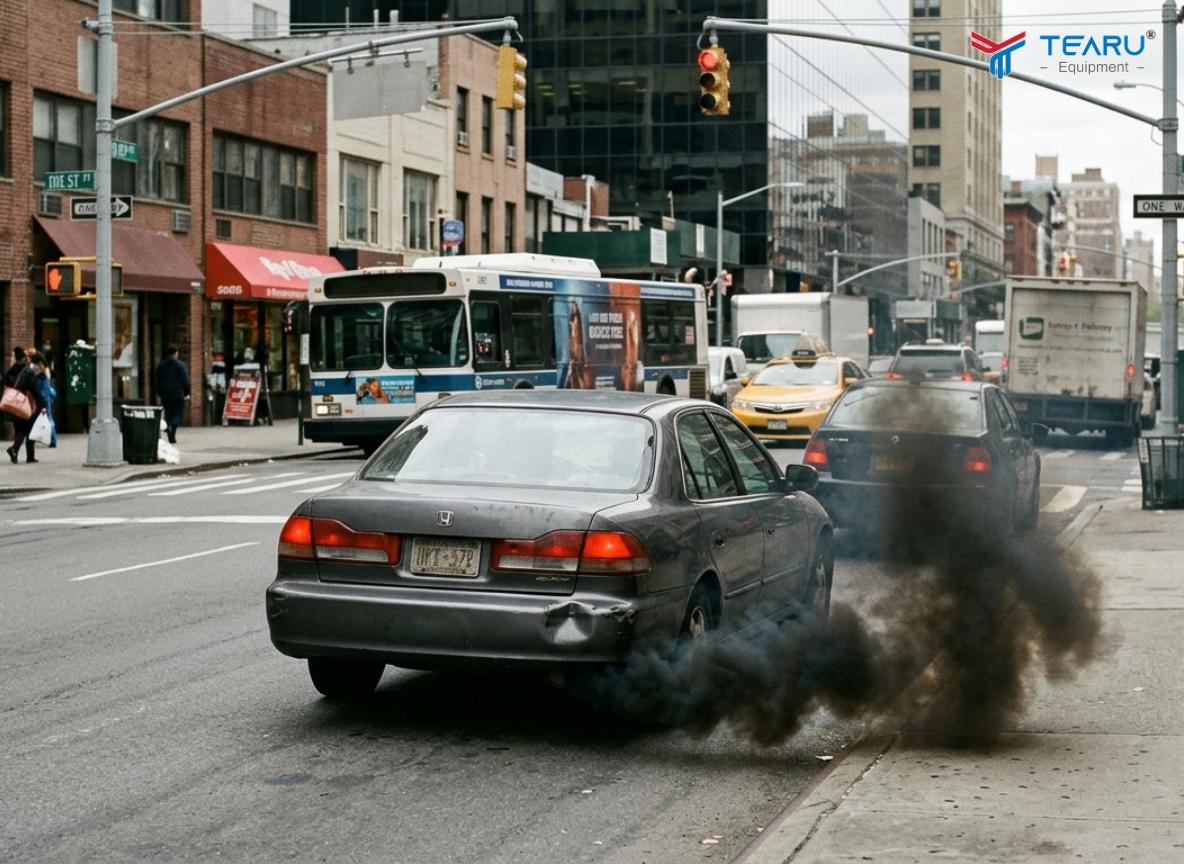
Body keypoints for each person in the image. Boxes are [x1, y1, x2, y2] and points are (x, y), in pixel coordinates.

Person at [7, 351, 48, 464]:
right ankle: (26, 454)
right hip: (27, 404)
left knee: (22, 429)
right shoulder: (31, 371)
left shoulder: (24, 369)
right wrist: (43, 404)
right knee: (29, 429)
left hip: (18, 402)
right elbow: (35, 389)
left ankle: (17, 451)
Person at [155, 345, 191, 444]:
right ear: (176, 353)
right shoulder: (180, 365)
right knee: (179, 415)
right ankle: (171, 427)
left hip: (165, 395)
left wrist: (159, 393)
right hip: (177, 394)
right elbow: (185, 381)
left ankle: (171, 437)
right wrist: (187, 393)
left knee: (168, 415)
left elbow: (157, 381)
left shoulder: (161, 366)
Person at [3, 347, 25, 442]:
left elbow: (7, 379)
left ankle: (18, 441)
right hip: (22, 396)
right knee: (20, 420)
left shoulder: (15, 367)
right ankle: (18, 441)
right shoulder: (23, 366)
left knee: (17, 421)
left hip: (15, 396)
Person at [36, 362, 58, 447]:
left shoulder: (40, 378)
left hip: (43, 399)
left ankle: (52, 439)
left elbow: (42, 391)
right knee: (49, 419)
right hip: (46, 399)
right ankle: (52, 439)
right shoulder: (45, 374)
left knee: (48, 419)